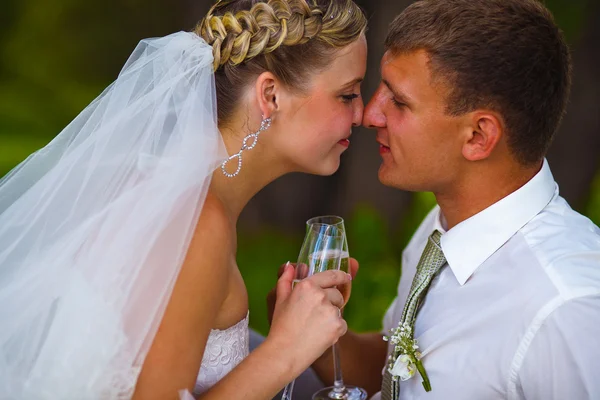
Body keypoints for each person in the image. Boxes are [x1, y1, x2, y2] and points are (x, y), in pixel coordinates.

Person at [0, 0, 368, 398]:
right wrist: (286, 351)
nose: (363, 114)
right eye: (347, 95)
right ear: (271, 95)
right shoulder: (197, 225)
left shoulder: (186, 196)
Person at [271, 0, 600, 399]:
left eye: (400, 101)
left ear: (478, 137)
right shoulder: (446, 226)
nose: (370, 114)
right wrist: (311, 336)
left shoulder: (566, 308)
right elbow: (398, 373)